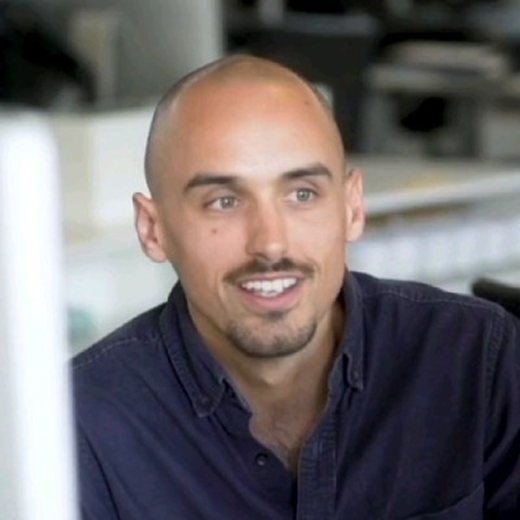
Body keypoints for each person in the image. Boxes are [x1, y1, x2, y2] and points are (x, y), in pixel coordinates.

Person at [72, 54, 520, 519]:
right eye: (223, 201)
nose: (271, 243)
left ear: (351, 208)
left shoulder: (478, 360)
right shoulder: (79, 426)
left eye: (302, 194)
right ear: (153, 229)